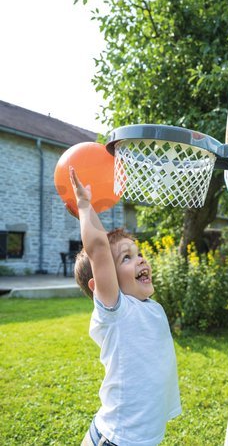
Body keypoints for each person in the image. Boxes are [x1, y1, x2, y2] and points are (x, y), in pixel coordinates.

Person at [68, 167, 181, 446]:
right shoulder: (117, 312)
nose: (141, 260)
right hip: (116, 439)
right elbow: (98, 249)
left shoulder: (151, 308)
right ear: (102, 285)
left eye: (139, 253)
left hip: (142, 436)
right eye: (127, 258)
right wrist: (84, 204)